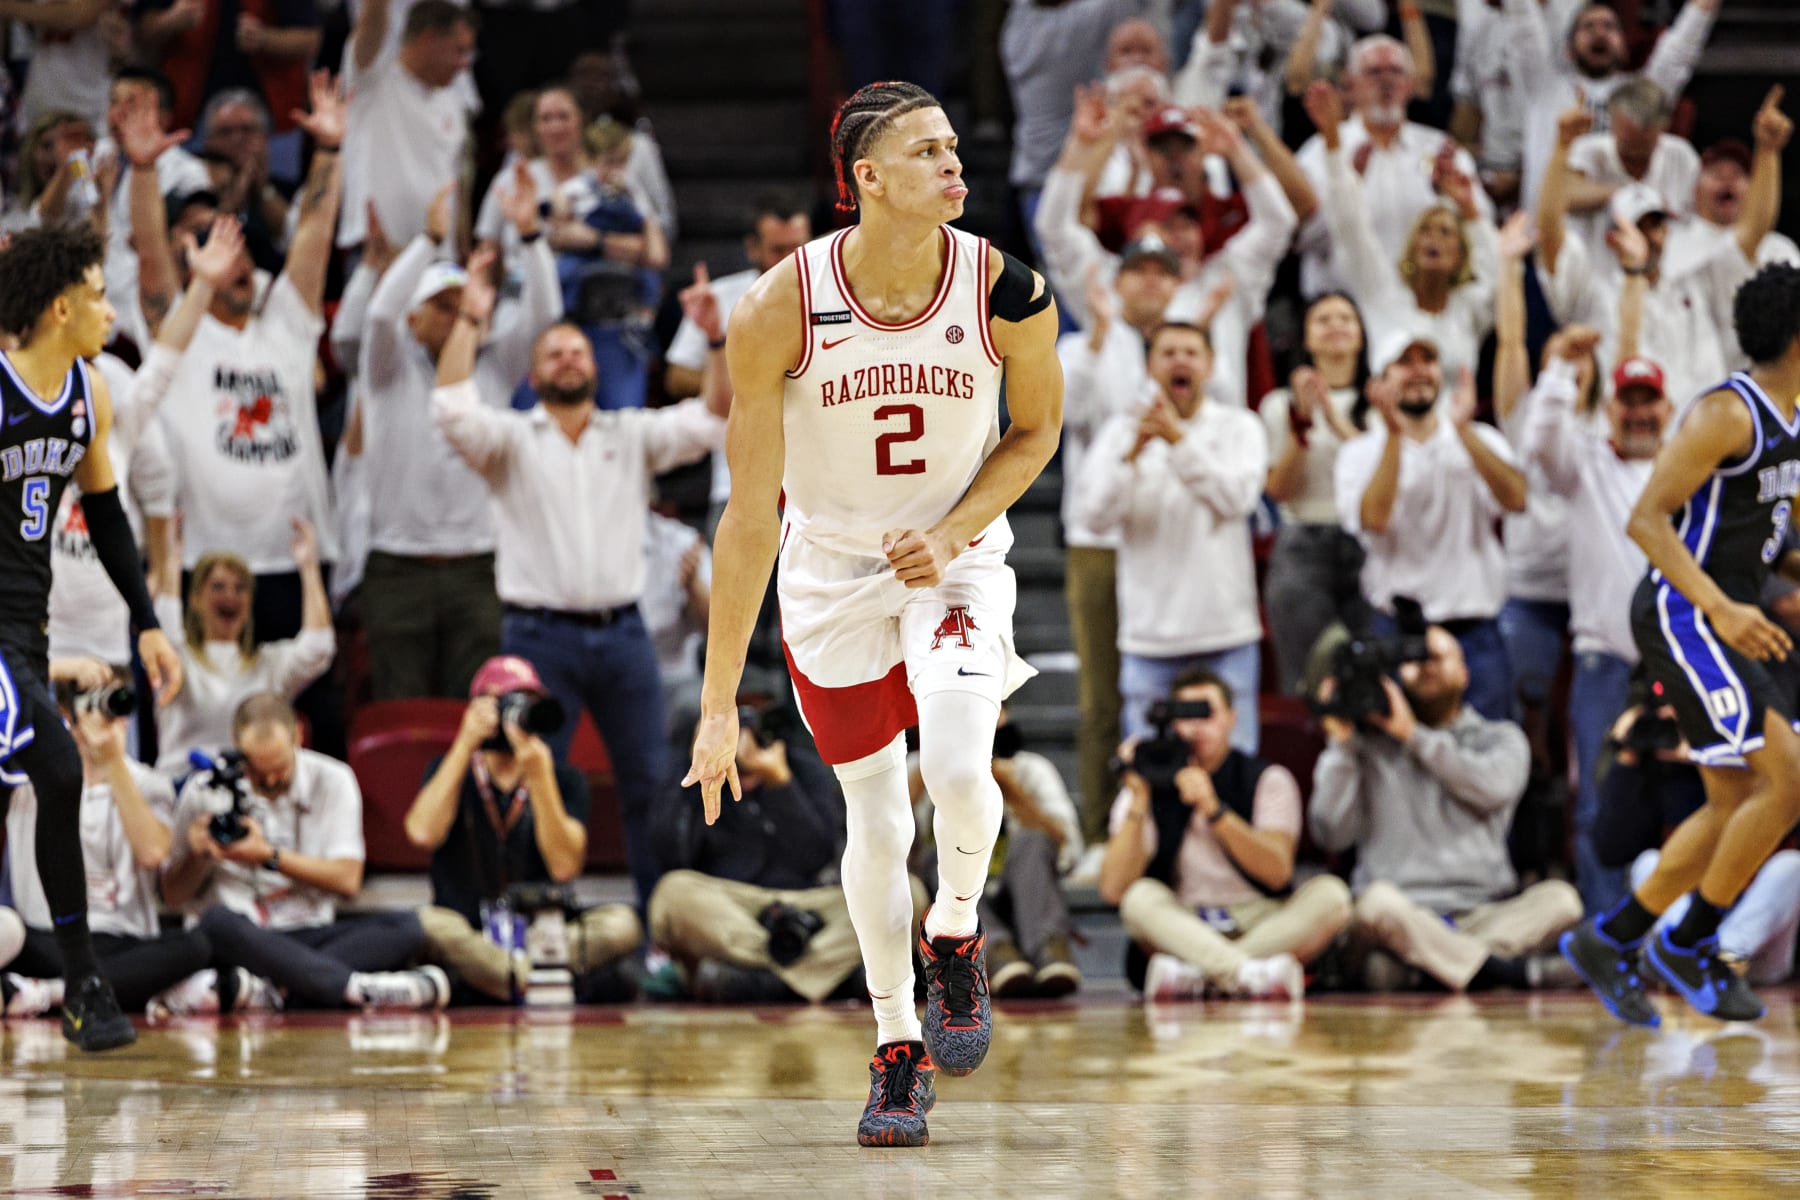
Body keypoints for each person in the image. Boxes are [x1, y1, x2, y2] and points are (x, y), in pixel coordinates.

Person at [683, 82, 1062, 1148]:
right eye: (928, 151)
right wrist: (719, 706)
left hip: (956, 560)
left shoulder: (1008, 290)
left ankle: (958, 931)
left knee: (960, 767)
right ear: (869, 179)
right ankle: (897, 1046)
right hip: (832, 576)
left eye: (954, 147)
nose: (953, 165)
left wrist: (953, 531)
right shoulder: (777, 309)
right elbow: (747, 517)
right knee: (878, 820)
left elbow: (1035, 432)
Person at [431, 259, 730, 912]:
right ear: (533, 375)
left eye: (577, 351)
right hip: (538, 637)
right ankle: (538, 926)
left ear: (596, 367)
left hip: (624, 634)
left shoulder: (630, 433)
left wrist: (715, 339)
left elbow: (715, 418)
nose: (568, 360)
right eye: (553, 354)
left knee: (650, 781)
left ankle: (659, 933)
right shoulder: (512, 440)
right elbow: (451, 408)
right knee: (534, 776)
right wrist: (471, 319)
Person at [1561, 263, 1800, 1026]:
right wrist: (1723, 608)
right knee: (1788, 779)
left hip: (1724, 614)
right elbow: (1647, 521)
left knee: (1734, 801)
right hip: (1685, 613)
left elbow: (1771, 529)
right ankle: (1689, 940)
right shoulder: (1727, 413)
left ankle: (1613, 938)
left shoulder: (1793, 417)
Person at [0, 223, 184, 1050]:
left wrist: (146, 623)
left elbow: (107, 517)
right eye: (102, 296)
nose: (114, 312)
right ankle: (83, 985)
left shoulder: (90, 394)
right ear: (62, 307)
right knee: (61, 766)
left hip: (27, 626)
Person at [359, 173, 558, 700]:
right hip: (397, 562)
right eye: (441, 306)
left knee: (479, 706)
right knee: (401, 708)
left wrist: (532, 238)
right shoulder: (386, 370)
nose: (453, 317)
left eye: (460, 305)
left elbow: (545, 317)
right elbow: (379, 313)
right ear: (415, 318)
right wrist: (428, 240)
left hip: (477, 565)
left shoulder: (494, 366)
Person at [1309, 626, 1582, 992]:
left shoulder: (1500, 738)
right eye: (1415, 661)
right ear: (1396, 675)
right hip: (1400, 913)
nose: (1426, 667)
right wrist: (1341, 745)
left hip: (1480, 913)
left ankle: (1428, 970)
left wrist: (1413, 735)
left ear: (1465, 673)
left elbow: (1491, 789)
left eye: (1437, 657)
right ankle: (1507, 973)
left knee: (1562, 901)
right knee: (1377, 903)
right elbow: (1330, 834)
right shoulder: (1367, 747)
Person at [161, 693, 447, 1011]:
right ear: (235, 743)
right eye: (257, 771)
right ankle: (353, 988)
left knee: (406, 929)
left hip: (306, 933)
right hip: (239, 940)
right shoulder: (204, 789)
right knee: (215, 923)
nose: (270, 779)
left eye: (279, 769)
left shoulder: (333, 779)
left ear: (298, 735)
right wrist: (200, 856)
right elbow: (173, 895)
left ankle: (267, 991)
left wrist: (269, 856)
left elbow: (348, 880)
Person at [1517, 341, 1670, 913]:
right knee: (1597, 802)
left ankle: (1673, 928)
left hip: (1677, 662)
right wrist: (1559, 368)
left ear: (1668, 408)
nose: (1639, 414)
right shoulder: (1586, 464)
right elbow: (1539, 443)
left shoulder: (1687, 470)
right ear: (1609, 410)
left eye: (1649, 401)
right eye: (1628, 401)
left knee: (1689, 798)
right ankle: (1607, 929)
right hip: (1604, 657)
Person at [1071, 321, 1268, 750]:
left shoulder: (1241, 427)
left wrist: (1177, 440)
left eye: (1191, 353)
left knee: (1234, 769)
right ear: (1149, 367)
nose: (1181, 361)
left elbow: (1237, 501)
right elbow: (1093, 519)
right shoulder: (1120, 432)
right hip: (1149, 639)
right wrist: (1132, 454)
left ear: (1210, 365)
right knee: (1147, 772)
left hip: (1226, 634)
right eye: (1168, 353)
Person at [1100, 668, 1351, 1001]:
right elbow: (1114, 890)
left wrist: (1215, 810)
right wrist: (1139, 797)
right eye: (1185, 716)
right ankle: (1249, 975)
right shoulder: (1147, 780)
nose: (1196, 727)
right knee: (1139, 899)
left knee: (1332, 895)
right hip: (1184, 921)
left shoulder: (1267, 778)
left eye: (1206, 714)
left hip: (1260, 916)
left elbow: (1277, 873)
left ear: (1232, 718)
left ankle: (1202, 976)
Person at [407, 657, 643, 1004]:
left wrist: (539, 776)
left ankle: (506, 977)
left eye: (529, 704)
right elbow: (422, 833)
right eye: (509, 703)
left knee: (622, 924)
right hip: (470, 931)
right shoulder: (447, 768)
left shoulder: (565, 778)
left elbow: (564, 867)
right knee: (428, 924)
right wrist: (464, 744)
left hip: (545, 934)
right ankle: (535, 976)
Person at [1333, 329, 1527, 722]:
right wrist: (1393, 435)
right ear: (1380, 381)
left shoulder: (1478, 437)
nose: (1419, 370)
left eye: (1428, 360)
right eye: (1405, 363)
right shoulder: (1359, 452)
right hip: (1397, 630)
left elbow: (1517, 498)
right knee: (1398, 750)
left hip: (1474, 630)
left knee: (1487, 750)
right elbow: (1374, 519)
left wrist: (1465, 432)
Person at [0, 682, 219, 1019]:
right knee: (8, 927)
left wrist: (112, 760)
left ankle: (47, 993)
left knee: (195, 945)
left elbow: (153, 853)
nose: (110, 719)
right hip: (50, 940)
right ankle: (142, 991)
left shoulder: (148, 782)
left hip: (125, 941)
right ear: (66, 714)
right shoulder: (27, 776)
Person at [150, 520, 334, 776]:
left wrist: (309, 567)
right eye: (218, 586)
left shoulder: (269, 664)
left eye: (240, 588)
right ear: (196, 598)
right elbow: (161, 636)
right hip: (182, 783)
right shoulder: (179, 659)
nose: (230, 596)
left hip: (254, 785)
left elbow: (319, 647)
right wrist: (171, 563)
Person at [1259, 293, 1370, 695]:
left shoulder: (1382, 403)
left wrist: (1337, 421)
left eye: (1345, 317)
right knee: (1309, 680)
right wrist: (1301, 425)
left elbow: (1384, 477)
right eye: (1323, 319)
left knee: (1372, 677)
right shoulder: (1279, 405)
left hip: (1370, 543)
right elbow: (1279, 490)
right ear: (1306, 338)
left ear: (1361, 335)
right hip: (1303, 540)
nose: (1335, 325)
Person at [339, 0, 474, 251]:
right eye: (459, 50)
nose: (464, 63)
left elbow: (457, 181)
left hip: (439, 257)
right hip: (378, 254)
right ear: (428, 38)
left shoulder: (453, 101)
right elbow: (369, 28)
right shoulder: (373, 81)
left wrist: (461, 244)